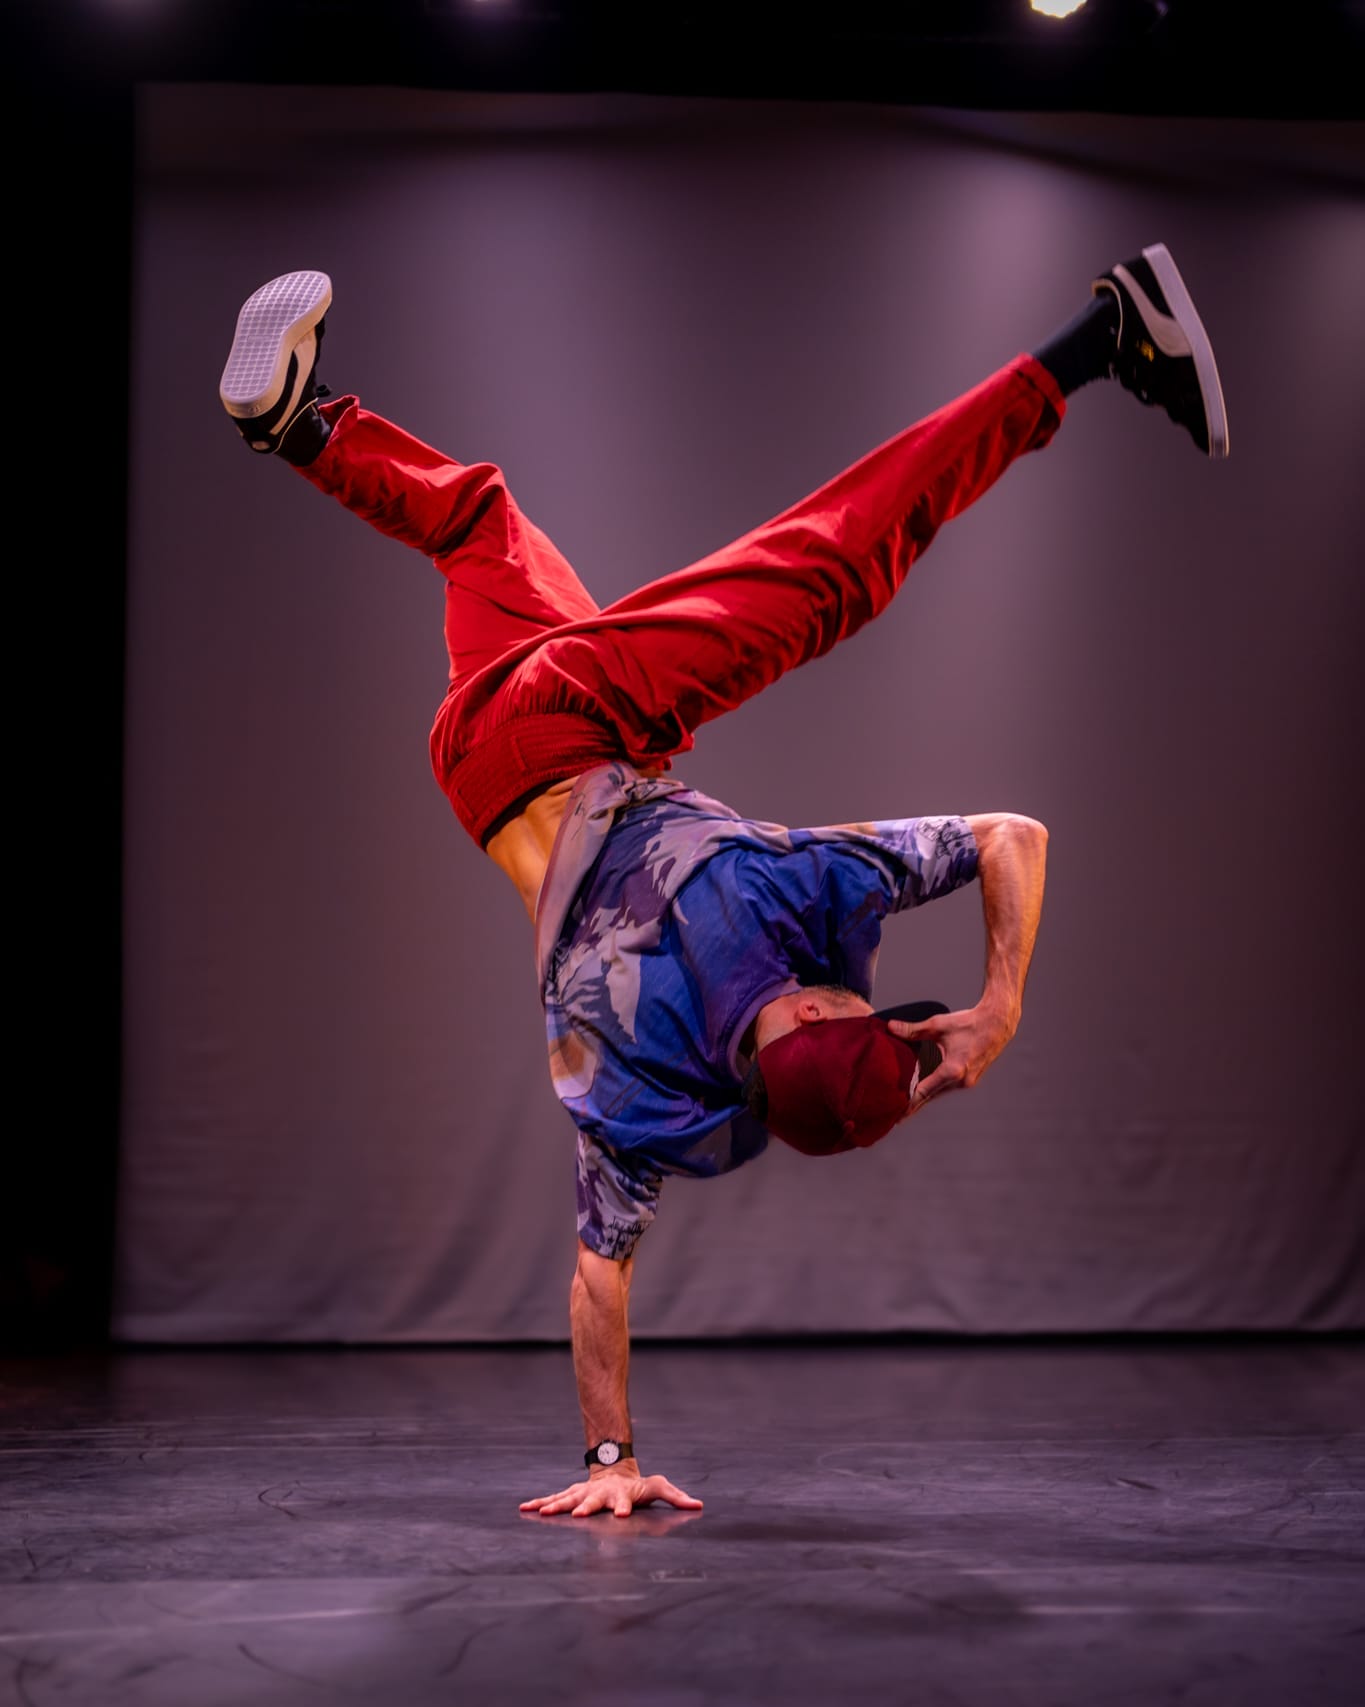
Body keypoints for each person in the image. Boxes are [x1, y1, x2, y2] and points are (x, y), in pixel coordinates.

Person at [218, 244, 1228, 1519]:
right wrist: (610, 1460)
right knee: (476, 518)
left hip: (571, 724)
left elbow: (1010, 833)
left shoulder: (788, 895)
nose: (857, 996)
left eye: (860, 1011)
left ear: (813, 1014)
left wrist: (995, 1006)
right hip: (477, 770)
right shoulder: (649, 1108)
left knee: (836, 567)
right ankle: (298, 428)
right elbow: (598, 1279)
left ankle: (1103, 342)